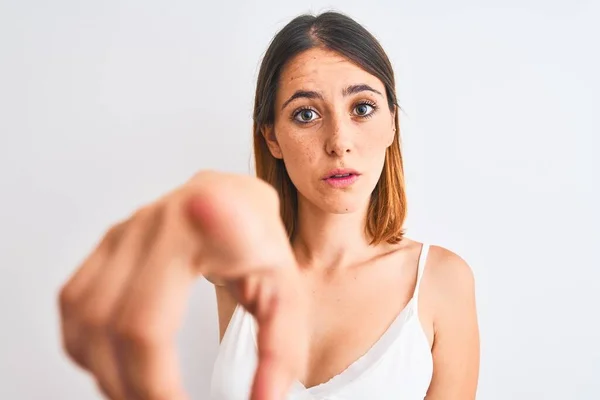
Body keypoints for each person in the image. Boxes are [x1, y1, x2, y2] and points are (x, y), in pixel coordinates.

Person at [58, 11, 480, 400]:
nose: (339, 142)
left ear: (391, 122)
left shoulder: (441, 282)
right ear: (272, 138)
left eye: (362, 108)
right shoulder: (235, 270)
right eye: (306, 115)